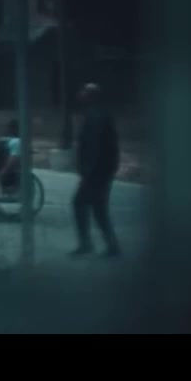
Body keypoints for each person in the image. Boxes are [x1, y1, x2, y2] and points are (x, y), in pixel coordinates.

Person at [72, 83, 121, 257]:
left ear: (92, 96)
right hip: (101, 170)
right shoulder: (96, 113)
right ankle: (108, 245)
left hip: (97, 171)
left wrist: (87, 173)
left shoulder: (96, 115)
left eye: (84, 91)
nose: (80, 94)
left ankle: (90, 244)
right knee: (96, 207)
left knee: (82, 204)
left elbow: (96, 147)